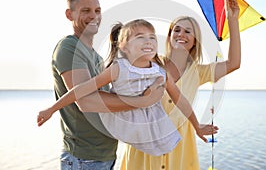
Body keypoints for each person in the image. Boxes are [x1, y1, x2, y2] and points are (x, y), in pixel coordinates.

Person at [37, 19, 218, 156]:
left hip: (150, 123)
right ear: (124, 47)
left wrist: (196, 126)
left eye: (152, 38)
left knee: (164, 149)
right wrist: (52, 109)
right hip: (123, 119)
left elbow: (181, 100)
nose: (148, 41)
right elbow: (81, 90)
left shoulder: (160, 72)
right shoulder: (119, 68)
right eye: (140, 37)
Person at [39, 0, 165, 170]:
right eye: (86, 11)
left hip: (104, 155)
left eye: (97, 11)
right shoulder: (69, 48)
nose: (94, 16)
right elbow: (86, 101)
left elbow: (112, 98)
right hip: (83, 158)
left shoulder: (97, 57)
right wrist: (142, 101)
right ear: (69, 14)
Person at [120, 0, 241, 169]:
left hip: (180, 145)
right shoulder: (151, 63)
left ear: (194, 41)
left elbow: (233, 63)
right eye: (176, 30)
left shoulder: (199, 72)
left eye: (187, 31)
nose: (181, 34)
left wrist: (232, 20)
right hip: (145, 141)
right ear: (169, 36)